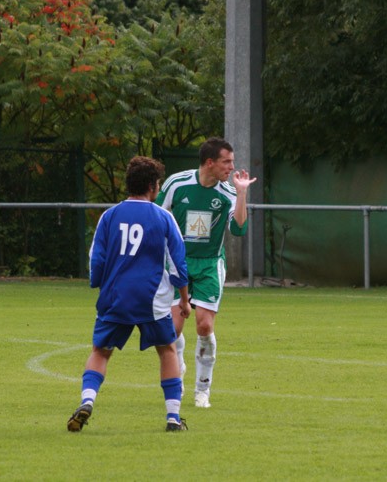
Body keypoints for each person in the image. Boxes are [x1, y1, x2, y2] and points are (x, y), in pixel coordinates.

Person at [67, 156, 192, 433]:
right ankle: (173, 417)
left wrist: (101, 286)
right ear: (152, 186)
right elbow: (177, 263)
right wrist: (184, 299)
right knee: (167, 350)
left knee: (101, 351)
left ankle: (87, 401)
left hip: (116, 297)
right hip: (152, 300)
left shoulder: (109, 216)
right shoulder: (163, 217)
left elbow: (96, 259)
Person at [155, 137, 257, 408]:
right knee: (173, 329)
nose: (232, 167)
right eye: (227, 162)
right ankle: (178, 368)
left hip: (210, 264)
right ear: (210, 162)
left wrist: (242, 194)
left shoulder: (228, 192)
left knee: (204, 325)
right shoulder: (177, 183)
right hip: (177, 263)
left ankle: (203, 389)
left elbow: (239, 230)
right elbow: (157, 216)